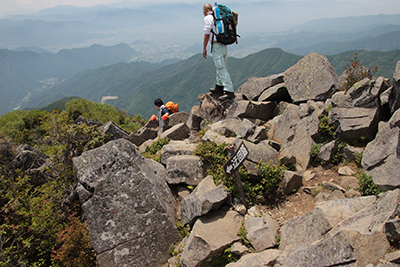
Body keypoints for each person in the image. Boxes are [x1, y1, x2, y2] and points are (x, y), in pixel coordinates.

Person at [203, 3, 235, 101]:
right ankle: (219, 86)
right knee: (220, 65)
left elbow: (207, 34)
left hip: (217, 44)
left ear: (204, 11)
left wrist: (204, 48)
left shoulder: (208, 18)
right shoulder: (218, 17)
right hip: (223, 43)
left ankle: (229, 90)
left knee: (220, 67)